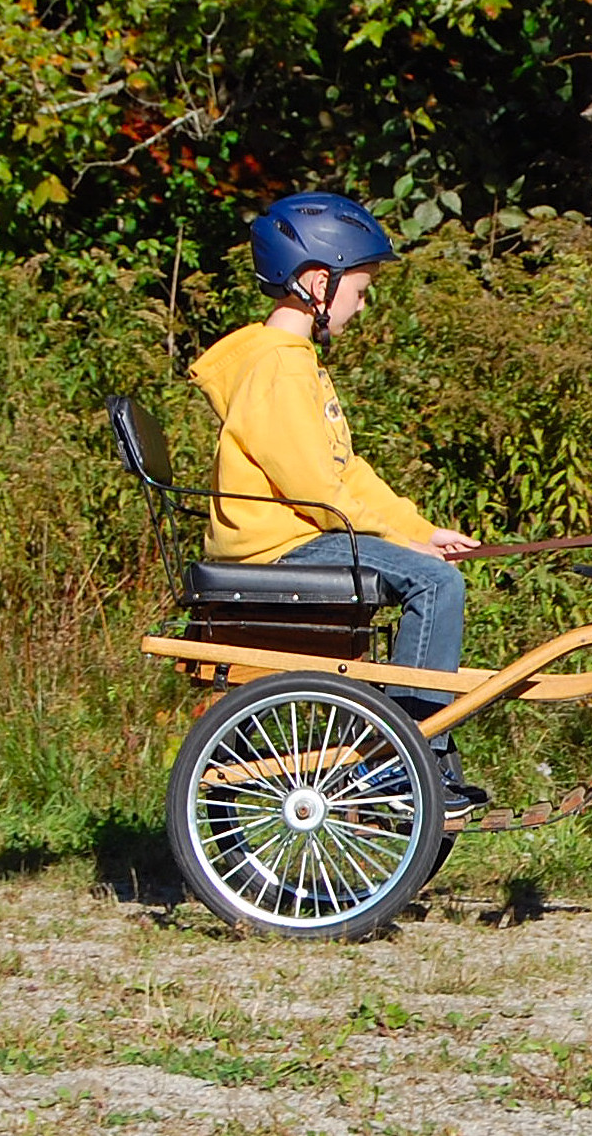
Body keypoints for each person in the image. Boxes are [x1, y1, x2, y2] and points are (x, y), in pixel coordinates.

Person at [188, 191, 488, 812]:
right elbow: (315, 489)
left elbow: (344, 472)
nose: (361, 303)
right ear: (317, 282)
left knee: (431, 571)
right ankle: (409, 764)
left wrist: (417, 529)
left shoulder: (293, 363)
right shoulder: (281, 367)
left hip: (294, 537)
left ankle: (405, 754)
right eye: (359, 289)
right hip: (280, 547)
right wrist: (403, 545)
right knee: (436, 587)